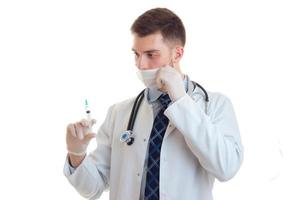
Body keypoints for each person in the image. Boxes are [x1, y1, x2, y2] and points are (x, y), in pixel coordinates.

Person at [64, 7, 243, 200]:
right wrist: (77, 153)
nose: (141, 64)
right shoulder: (119, 113)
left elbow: (226, 168)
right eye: (136, 54)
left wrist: (181, 101)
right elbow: (93, 188)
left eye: (151, 55)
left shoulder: (215, 105)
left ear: (177, 54)